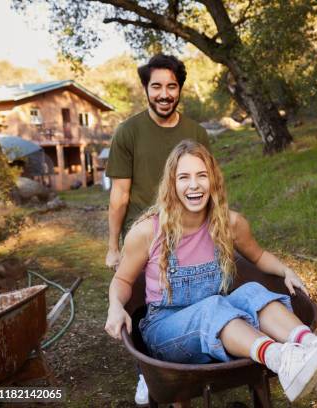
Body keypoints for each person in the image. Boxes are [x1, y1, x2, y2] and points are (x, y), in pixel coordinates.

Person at [104, 140, 317, 403]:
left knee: (251, 291)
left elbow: (259, 255)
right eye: (184, 177)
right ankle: (283, 359)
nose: (194, 185)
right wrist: (115, 305)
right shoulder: (148, 232)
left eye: (202, 176)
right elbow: (123, 279)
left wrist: (286, 270)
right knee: (213, 307)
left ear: (214, 181)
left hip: (217, 315)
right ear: (171, 186)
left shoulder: (229, 223)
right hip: (165, 331)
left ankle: (313, 348)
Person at [104, 54, 210, 404]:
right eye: (157, 87)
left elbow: (204, 185)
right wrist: (113, 246)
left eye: (171, 86)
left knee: (185, 306)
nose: (164, 94)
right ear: (146, 89)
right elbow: (119, 195)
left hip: (190, 235)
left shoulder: (196, 133)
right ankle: (148, 374)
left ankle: (189, 369)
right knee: (142, 308)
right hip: (144, 237)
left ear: (179, 89)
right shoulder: (128, 132)